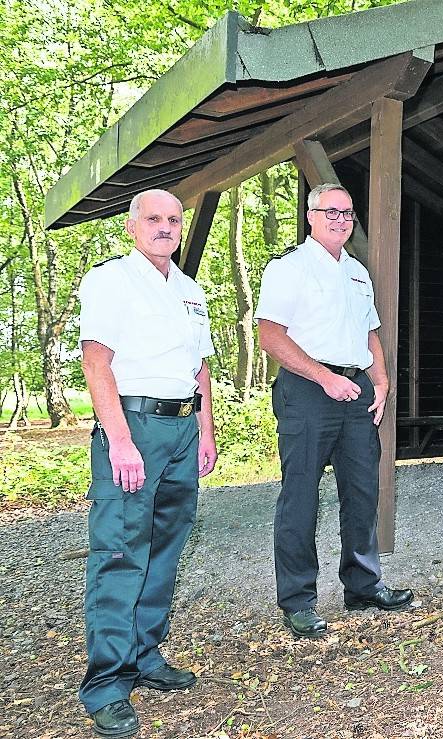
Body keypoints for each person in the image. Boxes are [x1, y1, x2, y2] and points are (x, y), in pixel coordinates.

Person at [78, 189, 218, 738]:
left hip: (183, 427)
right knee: (120, 550)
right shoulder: (111, 280)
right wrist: (120, 440)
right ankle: (107, 684)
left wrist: (205, 431)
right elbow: (97, 360)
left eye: (174, 220)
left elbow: (200, 364)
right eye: (154, 219)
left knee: (165, 547)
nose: (165, 227)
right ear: (133, 227)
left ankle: (144, 654)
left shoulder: (188, 289)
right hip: (133, 427)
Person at [256, 183, 412, 639]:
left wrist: (380, 383)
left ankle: (363, 585)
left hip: (357, 390)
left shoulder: (358, 272)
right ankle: (299, 599)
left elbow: (370, 334)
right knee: (300, 496)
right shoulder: (289, 268)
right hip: (308, 390)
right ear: (311, 215)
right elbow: (271, 335)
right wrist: (325, 378)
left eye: (347, 213)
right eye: (331, 212)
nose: (341, 220)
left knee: (364, 490)